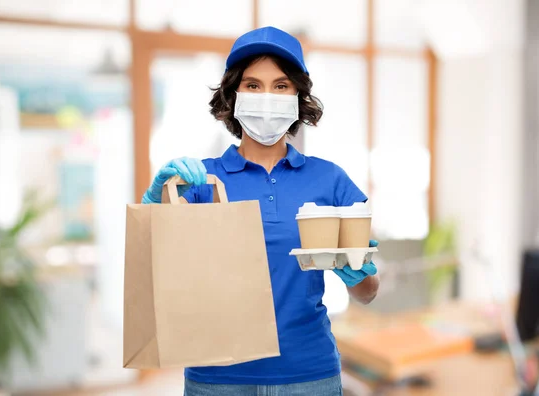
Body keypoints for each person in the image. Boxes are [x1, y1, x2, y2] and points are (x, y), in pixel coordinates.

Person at [142, 26, 379, 396]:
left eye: (280, 86)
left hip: (309, 376)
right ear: (233, 96)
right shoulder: (202, 180)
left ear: (298, 96)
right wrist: (156, 202)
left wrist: (353, 268)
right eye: (253, 85)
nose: (266, 96)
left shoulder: (330, 180)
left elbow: (367, 292)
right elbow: (152, 267)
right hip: (217, 379)